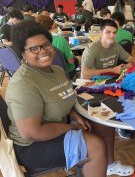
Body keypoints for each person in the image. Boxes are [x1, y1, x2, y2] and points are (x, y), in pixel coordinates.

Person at [7, 20, 107, 177]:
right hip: (32, 146)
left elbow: (62, 98)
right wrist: (71, 127)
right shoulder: (23, 84)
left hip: (56, 126)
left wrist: (73, 115)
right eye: (34, 48)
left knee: (101, 123)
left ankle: (99, 164)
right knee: (96, 146)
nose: (43, 51)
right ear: (23, 53)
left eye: (46, 45)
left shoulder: (57, 70)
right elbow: (31, 132)